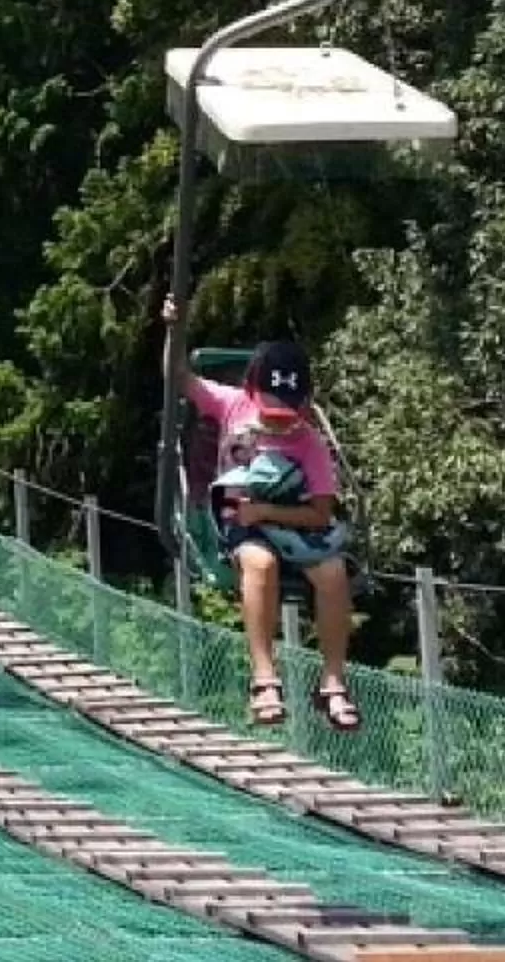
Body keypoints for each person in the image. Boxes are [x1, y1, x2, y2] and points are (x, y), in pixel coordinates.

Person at [165, 293, 359, 731]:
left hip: (290, 522)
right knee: (260, 562)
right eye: (270, 413)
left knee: (333, 573)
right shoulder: (231, 405)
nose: (277, 424)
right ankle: (264, 677)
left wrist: (269, 510)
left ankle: (332, 681)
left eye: (286, 415)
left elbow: (320, 515)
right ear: (252, 393)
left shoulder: (309, 442)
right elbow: (178, 377)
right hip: (241, 525)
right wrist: (175, 330)